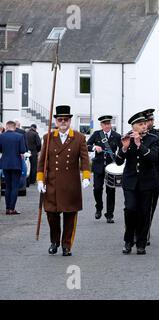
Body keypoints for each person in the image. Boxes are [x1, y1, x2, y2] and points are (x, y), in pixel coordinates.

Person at [37, 105, 91, 256]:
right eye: (60, 119)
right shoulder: (48, 137)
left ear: (70, 121)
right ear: (55, 121)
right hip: (52, 183)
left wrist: (86, 176)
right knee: (51, 215)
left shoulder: (79, 137)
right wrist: (40, 179)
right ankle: (54, 241)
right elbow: (42, 161)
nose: (63, 122)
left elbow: (85, 159)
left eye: (66, 119)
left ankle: (66, 245)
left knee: (70, 215)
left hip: (71, 184)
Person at [116, 111, 159, 255]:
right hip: (130, 182)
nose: (144, 126)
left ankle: (141, 243)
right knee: (130, 209)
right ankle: (128, 241)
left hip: (147, 182)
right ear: (133, 127)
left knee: (144, 213)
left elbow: (153, 157)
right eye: (140, 124)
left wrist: (139, 144)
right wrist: (124, 148)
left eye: (144, 124)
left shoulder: (153, 139)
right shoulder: (125, 138)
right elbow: (118, 161)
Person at [86, 115, 122, 223]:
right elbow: (87, 144)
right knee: (97, 189)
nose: (107, 126)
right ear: (101, 125)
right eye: (105, 124)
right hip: (98, 167)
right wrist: (94, 147)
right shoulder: (97, 134)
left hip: (111, 168)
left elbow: (122, 149)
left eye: (109, 123)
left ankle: (109, 214)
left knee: (111, 191)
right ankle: (99, 207)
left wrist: (119, 159)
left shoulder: (116, 136)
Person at [142, 108, 159, 245]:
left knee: (151, 206)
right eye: (147, 120)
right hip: (138, 175)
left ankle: (146, 231)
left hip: (153, 174)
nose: (150, 122)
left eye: (151, 120)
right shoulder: (133, 134)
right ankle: (136, 231)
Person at [0, 121, 27, 215]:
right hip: (16, 164)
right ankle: (12, 209)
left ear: (7, 127)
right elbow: (23, 150)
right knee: (15, 187)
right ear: (14, 127)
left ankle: (7, 208)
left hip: (5, 164)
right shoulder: (19, 136)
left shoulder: (1, 136)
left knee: (8, 187)